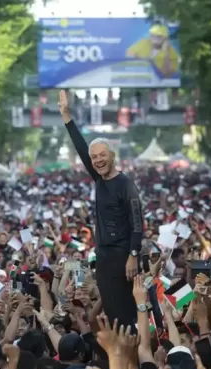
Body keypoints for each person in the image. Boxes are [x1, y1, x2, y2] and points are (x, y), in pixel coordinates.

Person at [58, 89, 143, 328]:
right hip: (104, 258)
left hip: (123, 257)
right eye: (94, 157)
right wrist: (67, 117)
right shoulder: (99, 179)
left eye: (102, 155)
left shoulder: (126, 184)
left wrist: (133, 255)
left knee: (125, 316)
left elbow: (137, 223)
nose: (97, 160)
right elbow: (80, 146)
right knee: (111, 314)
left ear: (112, 156)